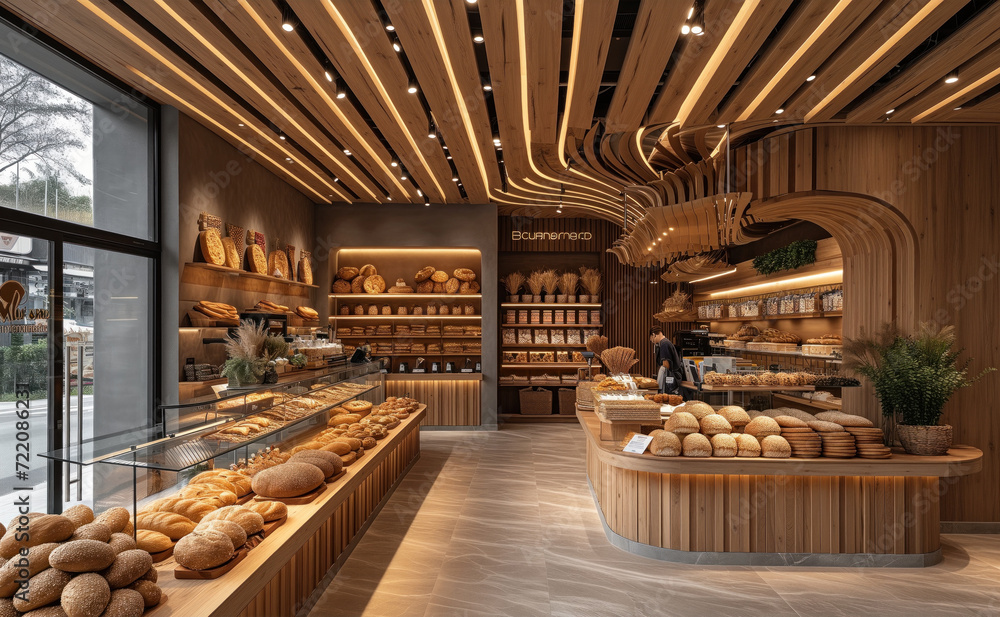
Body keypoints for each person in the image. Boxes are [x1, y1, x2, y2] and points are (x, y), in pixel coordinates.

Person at [649, 326, 683, 394]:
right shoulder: (665, 343)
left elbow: (666, 365)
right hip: (674, 377)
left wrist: (661, 380)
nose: (654, 343)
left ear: (653, 335)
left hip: (671, 379)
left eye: (652, 340)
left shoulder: (664, 344)